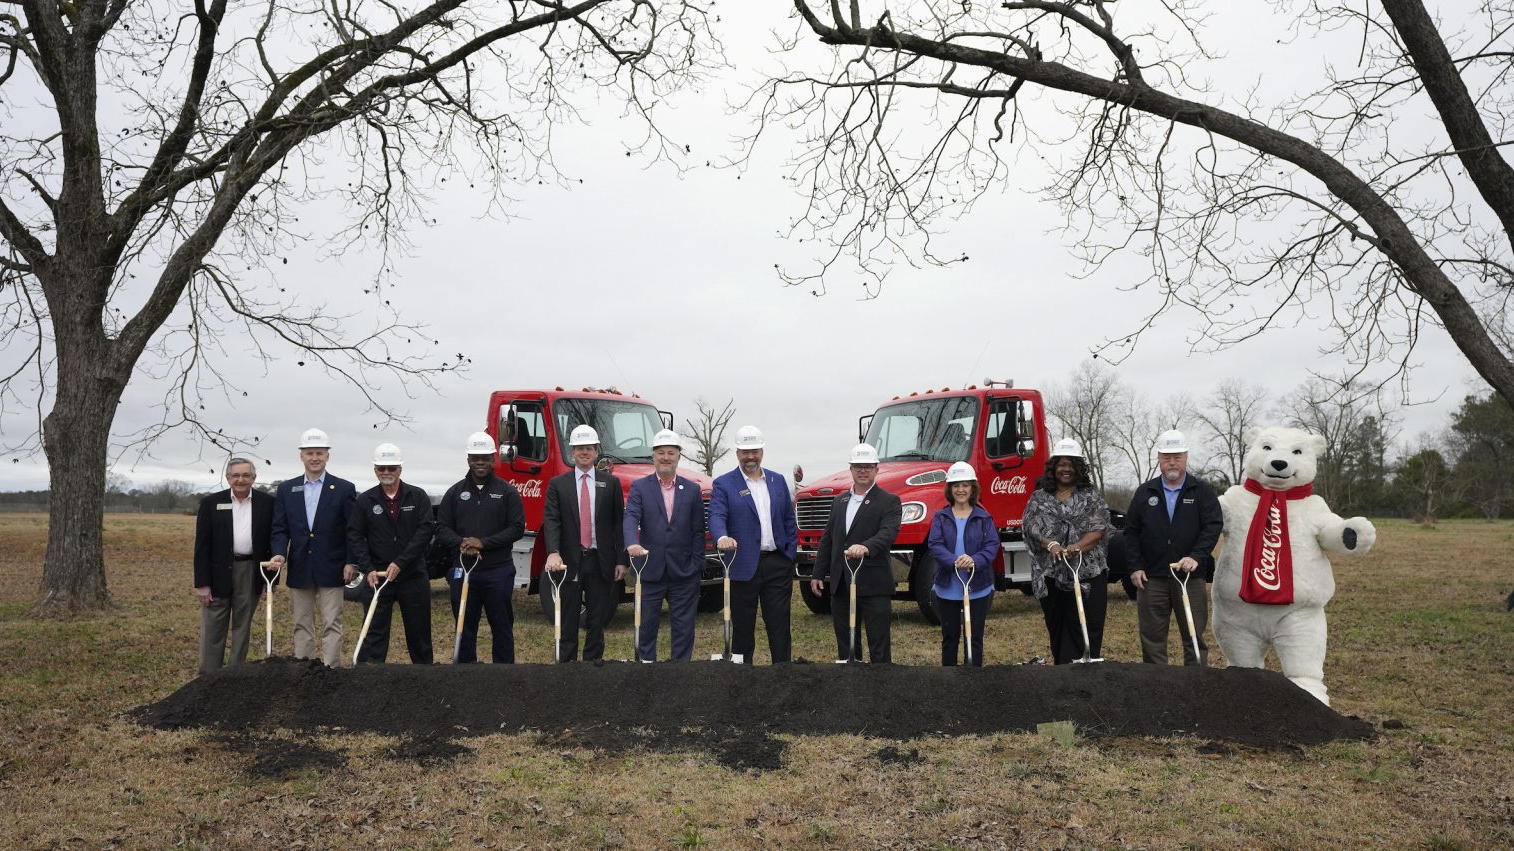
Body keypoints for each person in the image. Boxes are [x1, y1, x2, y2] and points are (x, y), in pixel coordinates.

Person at [1124, 429, 1223, 665]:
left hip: (1190, 576)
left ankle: (1195, 683)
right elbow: (1131, 532)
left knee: (1193, 634)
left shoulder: (1201, 491)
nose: (1171, 462)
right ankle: (1158, 686)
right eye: (1166, 457)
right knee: (1152, 638)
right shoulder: (1144, 492)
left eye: (1177, 456)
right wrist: (1135, 566)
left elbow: (1212, 526)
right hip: (1151, 577)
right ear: (1158, 459)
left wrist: (1197, 556)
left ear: (1186, 458)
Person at [709, 425, 798, 664]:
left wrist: (789, 553)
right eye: (745, 451)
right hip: (742, 565)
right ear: (737, 452)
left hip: (777, 564)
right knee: (743, 630)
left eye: (755, 451)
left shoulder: (778, 481)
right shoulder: (724, 484)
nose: (751, 456)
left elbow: (789, 519)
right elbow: (716, 515)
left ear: (762, 451)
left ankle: (782, 675)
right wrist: (721, 538)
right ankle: (742, 680)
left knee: (780, 626)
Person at [435, 431, 526, 663]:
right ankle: (467, 673)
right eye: (475, 458)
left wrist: (483, 543)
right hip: (464, 570)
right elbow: (442, 527)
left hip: (498, 571)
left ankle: (504, 675)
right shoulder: (455, 493)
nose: (480, 462)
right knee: (464, 626)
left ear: (493, 458)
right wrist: (463, 543)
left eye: (485, 457)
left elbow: (516, 528)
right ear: (468, 460)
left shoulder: (507, 491)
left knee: (502, 626)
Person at [269, 428, 357, 667]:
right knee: (301, 622)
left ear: (328, 455)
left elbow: (352, 530)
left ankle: (330, 671)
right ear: (301, 456)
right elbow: (280, 528)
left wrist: (351, 561)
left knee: (332, 622)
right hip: (300, 566)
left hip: (333, 566)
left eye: (319, 452)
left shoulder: (344, 489)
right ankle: (304, 670)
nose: (314, 457)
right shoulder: (287, 489)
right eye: (310, 453)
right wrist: (278, 552)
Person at [810, 443, 902, 663]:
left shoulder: (889, 501)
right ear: (850, 469)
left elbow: (888, 533)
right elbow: (829, 539)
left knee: (878, 644)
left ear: (876, 469)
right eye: (858, 466)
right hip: (842, 583)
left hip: (874, 583)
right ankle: (850, 686)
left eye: (868, 466)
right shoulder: (839, 501)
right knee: (847, 643)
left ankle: (880, 686)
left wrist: (866, 547)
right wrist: (817, 573)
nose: (863, 470)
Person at [542, 425, 627, 662]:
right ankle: (566, 667)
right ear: (572, 452)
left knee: (597, 620)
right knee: (568, 619)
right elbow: (551, 520)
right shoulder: (558, 484)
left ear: (596, 451)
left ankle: (592, 667)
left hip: (600, 561)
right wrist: (553, 552)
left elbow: (618, 523)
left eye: (589, 448)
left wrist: (621, 559)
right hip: (569, 562)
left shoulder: (610, 484)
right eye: (579, 448)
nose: (584, 452)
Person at [1023, 438, 1111, 665]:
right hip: (1052, 575)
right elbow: (1031, 528)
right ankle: (1063, 673)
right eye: (1061, 464)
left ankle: (1087, 670)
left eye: (1071, 465)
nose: (1066, 469)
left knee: (1087, 624)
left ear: (1079, 469)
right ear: (1053, 468)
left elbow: (1099, 528)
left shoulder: (1090, 497)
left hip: (1088, 574)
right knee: (1058, 626)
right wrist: (1051, 544)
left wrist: (1077, 547)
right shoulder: (1039, 498)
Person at [348, 443, 435, 664]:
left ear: (400, 469)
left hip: (412, 576)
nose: (386, 472)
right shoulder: (365, 501)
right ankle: (371, 680)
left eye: (392, 468)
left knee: (419, 634)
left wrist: (401, 562)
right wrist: (367, 568)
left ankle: (425, 680)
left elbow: (425, 531)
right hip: (376, 577)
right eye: (381, 468)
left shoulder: (418, 496)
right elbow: (355, 535)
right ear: (375, 470)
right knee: (374, 634)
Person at [624, 429, 706, 662]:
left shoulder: (691, 490)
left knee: (683, 629)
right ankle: (645, 672)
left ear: (679, 456)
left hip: (684, 573)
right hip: (650, 570)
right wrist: (631, 543)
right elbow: (631, 517)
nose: (666, 457)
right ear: (653, 456)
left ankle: (679, 676)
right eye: (661, 453)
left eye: (671, 453)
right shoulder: (640, 487)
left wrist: (697, 562)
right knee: (646, 626)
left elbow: (698, 529)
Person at [192, 457, 274, 672]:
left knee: (242, 626)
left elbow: (274, 543)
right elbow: (201, 546)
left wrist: (270, 581)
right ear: (227, 478)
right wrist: (202, 583)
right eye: (235, 475)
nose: (240, 480)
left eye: (246, 475)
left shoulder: (268, 503)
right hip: (217, 573)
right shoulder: (211, 503)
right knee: (213, 628)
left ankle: (234, 677)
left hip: (251, 571)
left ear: (254, 478)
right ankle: (208, 679)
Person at [925, 461, 999, 666]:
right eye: (956, 485)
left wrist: (974, 560)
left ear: (972, 488)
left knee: (974, 637)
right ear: (950, 489)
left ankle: (973, 678)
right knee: (950, 637)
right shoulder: (941, 517)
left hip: (977, 586)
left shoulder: (983, 517)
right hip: (948, 585)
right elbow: (935, 543)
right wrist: (954, 561)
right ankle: (949, 680)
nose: (960, 490)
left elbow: (992, 545)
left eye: (965, 485)